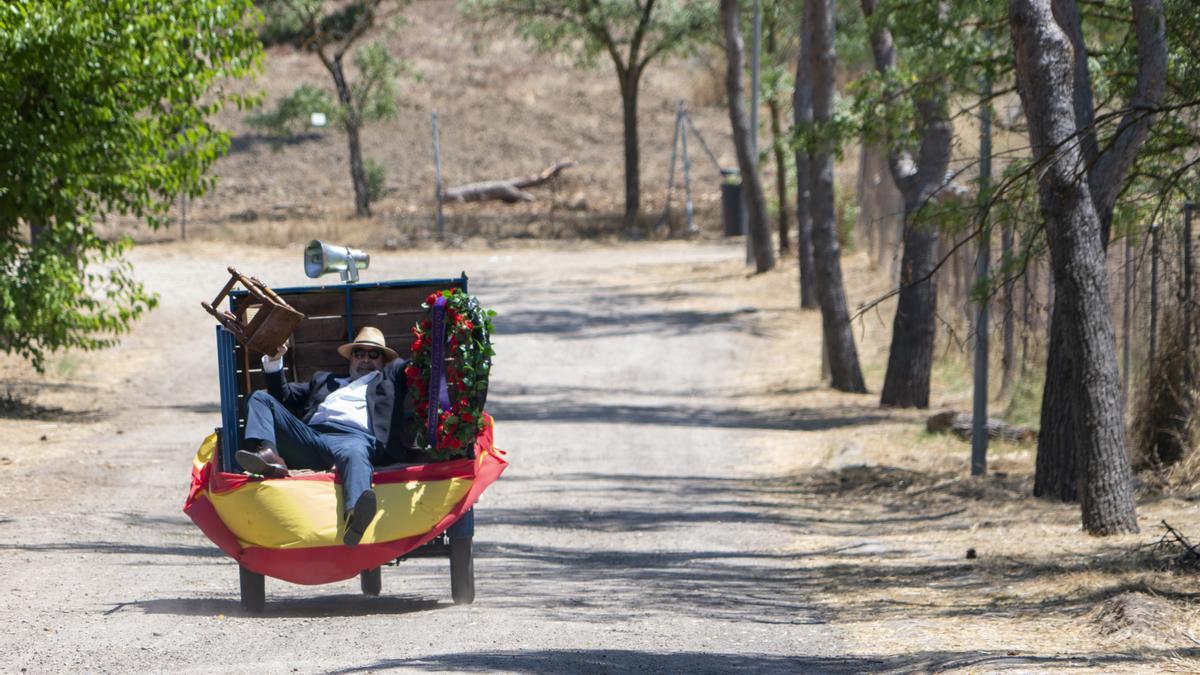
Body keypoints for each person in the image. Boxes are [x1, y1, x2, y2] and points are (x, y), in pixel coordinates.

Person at [235, 326, 412, 546]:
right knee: (259, 398)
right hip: (311, 438)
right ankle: (269, 457)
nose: (365, 359)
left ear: (383, 361)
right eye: (359, 353)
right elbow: (284, 397)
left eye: (373, 354)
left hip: (354, 440)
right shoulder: (324, 381)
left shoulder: (389, 379)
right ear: (351, 358)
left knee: (354, 452)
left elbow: (414, 366)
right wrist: (274, 361)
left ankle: (355, 516)